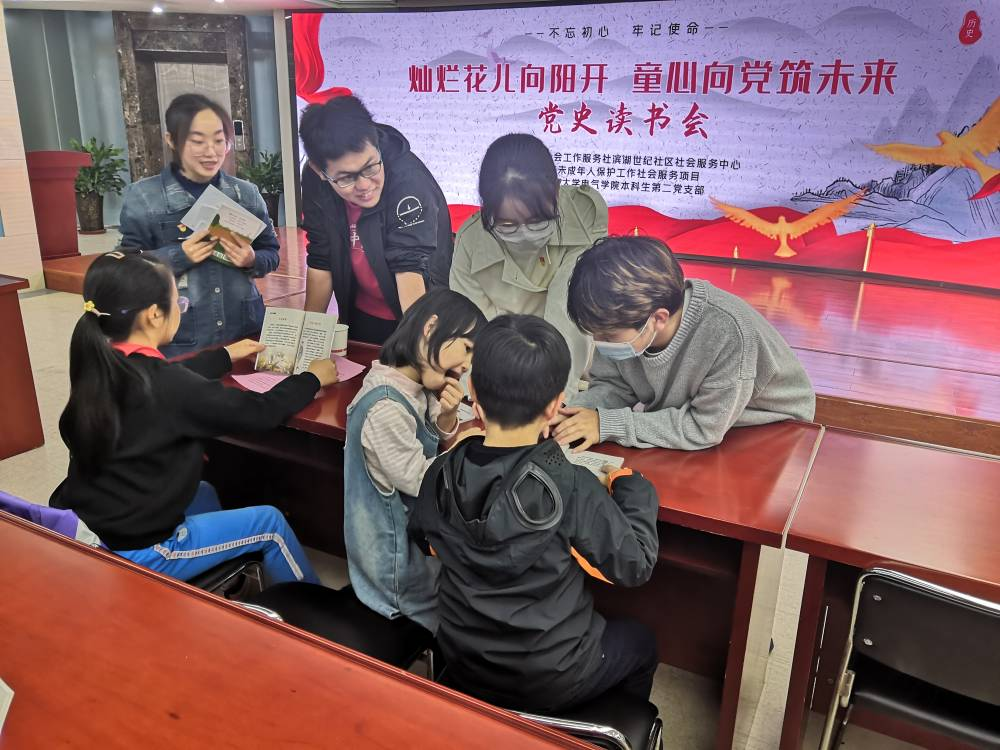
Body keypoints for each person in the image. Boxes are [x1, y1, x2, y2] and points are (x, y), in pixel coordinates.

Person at [408, 314, 659, 713]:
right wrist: (634, 488)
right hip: (550, 675)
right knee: (642, 642)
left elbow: (424, 541)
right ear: (556, 405)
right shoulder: (572, 484)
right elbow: (635, 565)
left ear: (473, 393)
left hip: (463, 659)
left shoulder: (441, 471)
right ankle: (580, 734)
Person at [50, 249, 339, 585]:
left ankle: (219, 582)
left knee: (204, 492)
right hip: (143, 547)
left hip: (94, 524)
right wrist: (311, 378)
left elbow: (169, 377)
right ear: (154, 315)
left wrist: (224, 356)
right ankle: (308, 612)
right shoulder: (170, 388)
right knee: (270, 524)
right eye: (179, 302)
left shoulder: (100, 363)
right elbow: (259, 412)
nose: (180, 309)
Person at [554, 236, 816, 452]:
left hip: (772, 429)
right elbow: (615, 386)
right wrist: (570, 414)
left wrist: (606, 424)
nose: (600, 343)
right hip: (697, 422)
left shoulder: (727, 332)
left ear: (658, 319)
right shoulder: (622, 319)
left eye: (609, 337)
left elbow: (703, 428)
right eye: (595, 334)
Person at [344, 288, 487, 632]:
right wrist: (467, 450)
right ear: (430, 327)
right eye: (467, 348)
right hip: (397, 570)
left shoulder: (412, 385)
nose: (466, 366)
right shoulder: (385, 407)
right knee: (477, 600)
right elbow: (424, 481)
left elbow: (430, 434)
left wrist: (448, 416)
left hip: (413, 546)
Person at [119, 93, 280, 359]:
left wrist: (252, 259)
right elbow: (124, 269)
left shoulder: (245, 194)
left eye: (219, 140)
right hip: (181, 341)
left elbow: (271, 252)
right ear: (172, 140)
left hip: (244, 332)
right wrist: (178, 256)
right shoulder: (145, 197)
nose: (211, 151)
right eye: (197, 141)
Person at [449, 134, 607, 393]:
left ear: (556, 190)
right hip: (503, 363)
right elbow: (474, 328)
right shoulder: (471, 242)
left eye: (537, 221)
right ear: (485, 207)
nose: (524, 233)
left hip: (572, 360)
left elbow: (566, 310)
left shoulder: (584, 215)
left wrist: (556, 396)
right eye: (507, 224)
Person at [299, 95, 453, 344]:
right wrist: (306, 340)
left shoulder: (409, 181)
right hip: (361, 312)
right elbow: (321, 257)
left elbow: (410, 268)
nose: (364, 185)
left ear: (377, 145)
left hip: (418, 312)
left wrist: (419, 348)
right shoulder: (315, 181)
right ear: (320, 171)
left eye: (370, 167)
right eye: (346, 178)